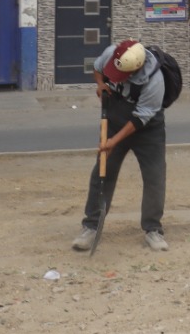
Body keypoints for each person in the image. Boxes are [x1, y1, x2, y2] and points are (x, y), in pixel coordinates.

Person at [72, 40, 170, 252]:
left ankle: (153, 229)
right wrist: (101, 84)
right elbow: (98, 68)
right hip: (115, 119)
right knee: (102, 172)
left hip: (147, 128)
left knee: (154, 177)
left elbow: (140, 119)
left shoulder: (155, 81)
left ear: (136, 69)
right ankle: (91, 226)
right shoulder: (112, 53)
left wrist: (113, 142)